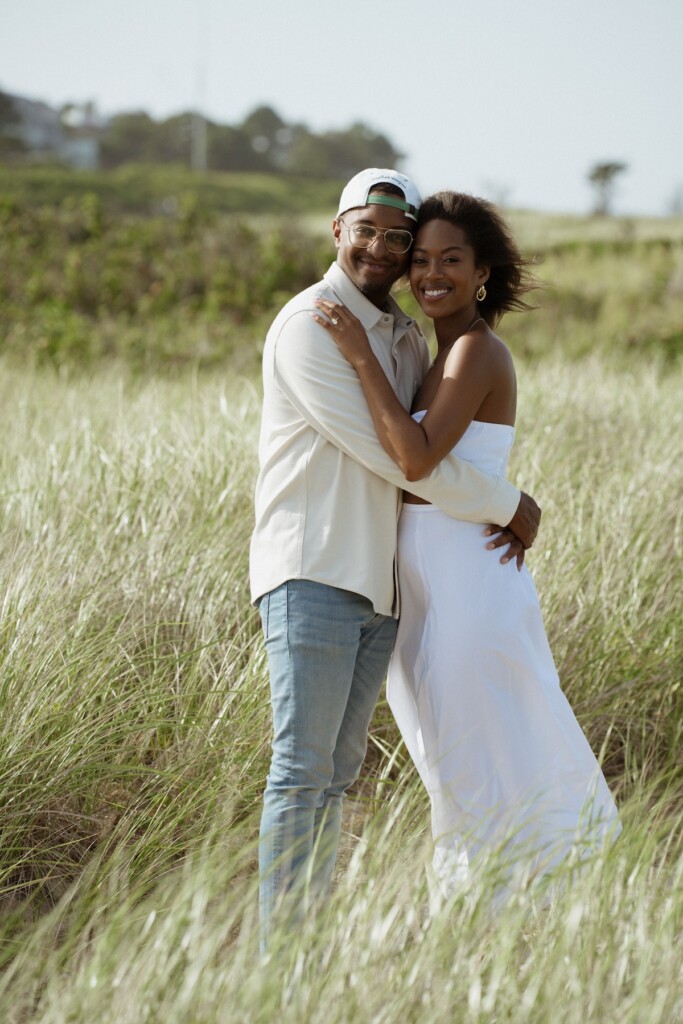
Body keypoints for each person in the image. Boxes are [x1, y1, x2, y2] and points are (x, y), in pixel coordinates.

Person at [250, 170, 541, 949]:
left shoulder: (406, 338)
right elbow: (399, 459)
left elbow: (428, 442)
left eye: (396, 237)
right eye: (365, 231)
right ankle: (281, 957)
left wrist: (498, 498)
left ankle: (307, 943)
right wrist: (504, 503)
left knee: (334, 778)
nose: (382, 249)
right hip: (313, 572)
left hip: (382, 588)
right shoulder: (312, 325)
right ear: (337, 232)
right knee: (301, 771)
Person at [313, 190, 620, 904]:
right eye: (418, 260)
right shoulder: (432, 350)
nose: (428, 274)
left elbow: (415, 459)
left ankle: (517, 899)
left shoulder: (476, 351)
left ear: (481, 270)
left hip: (468, 584)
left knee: (487, 744)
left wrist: (358, 356)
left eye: (450, 259)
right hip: (425, 590)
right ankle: (503, 901)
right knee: (448, 755)